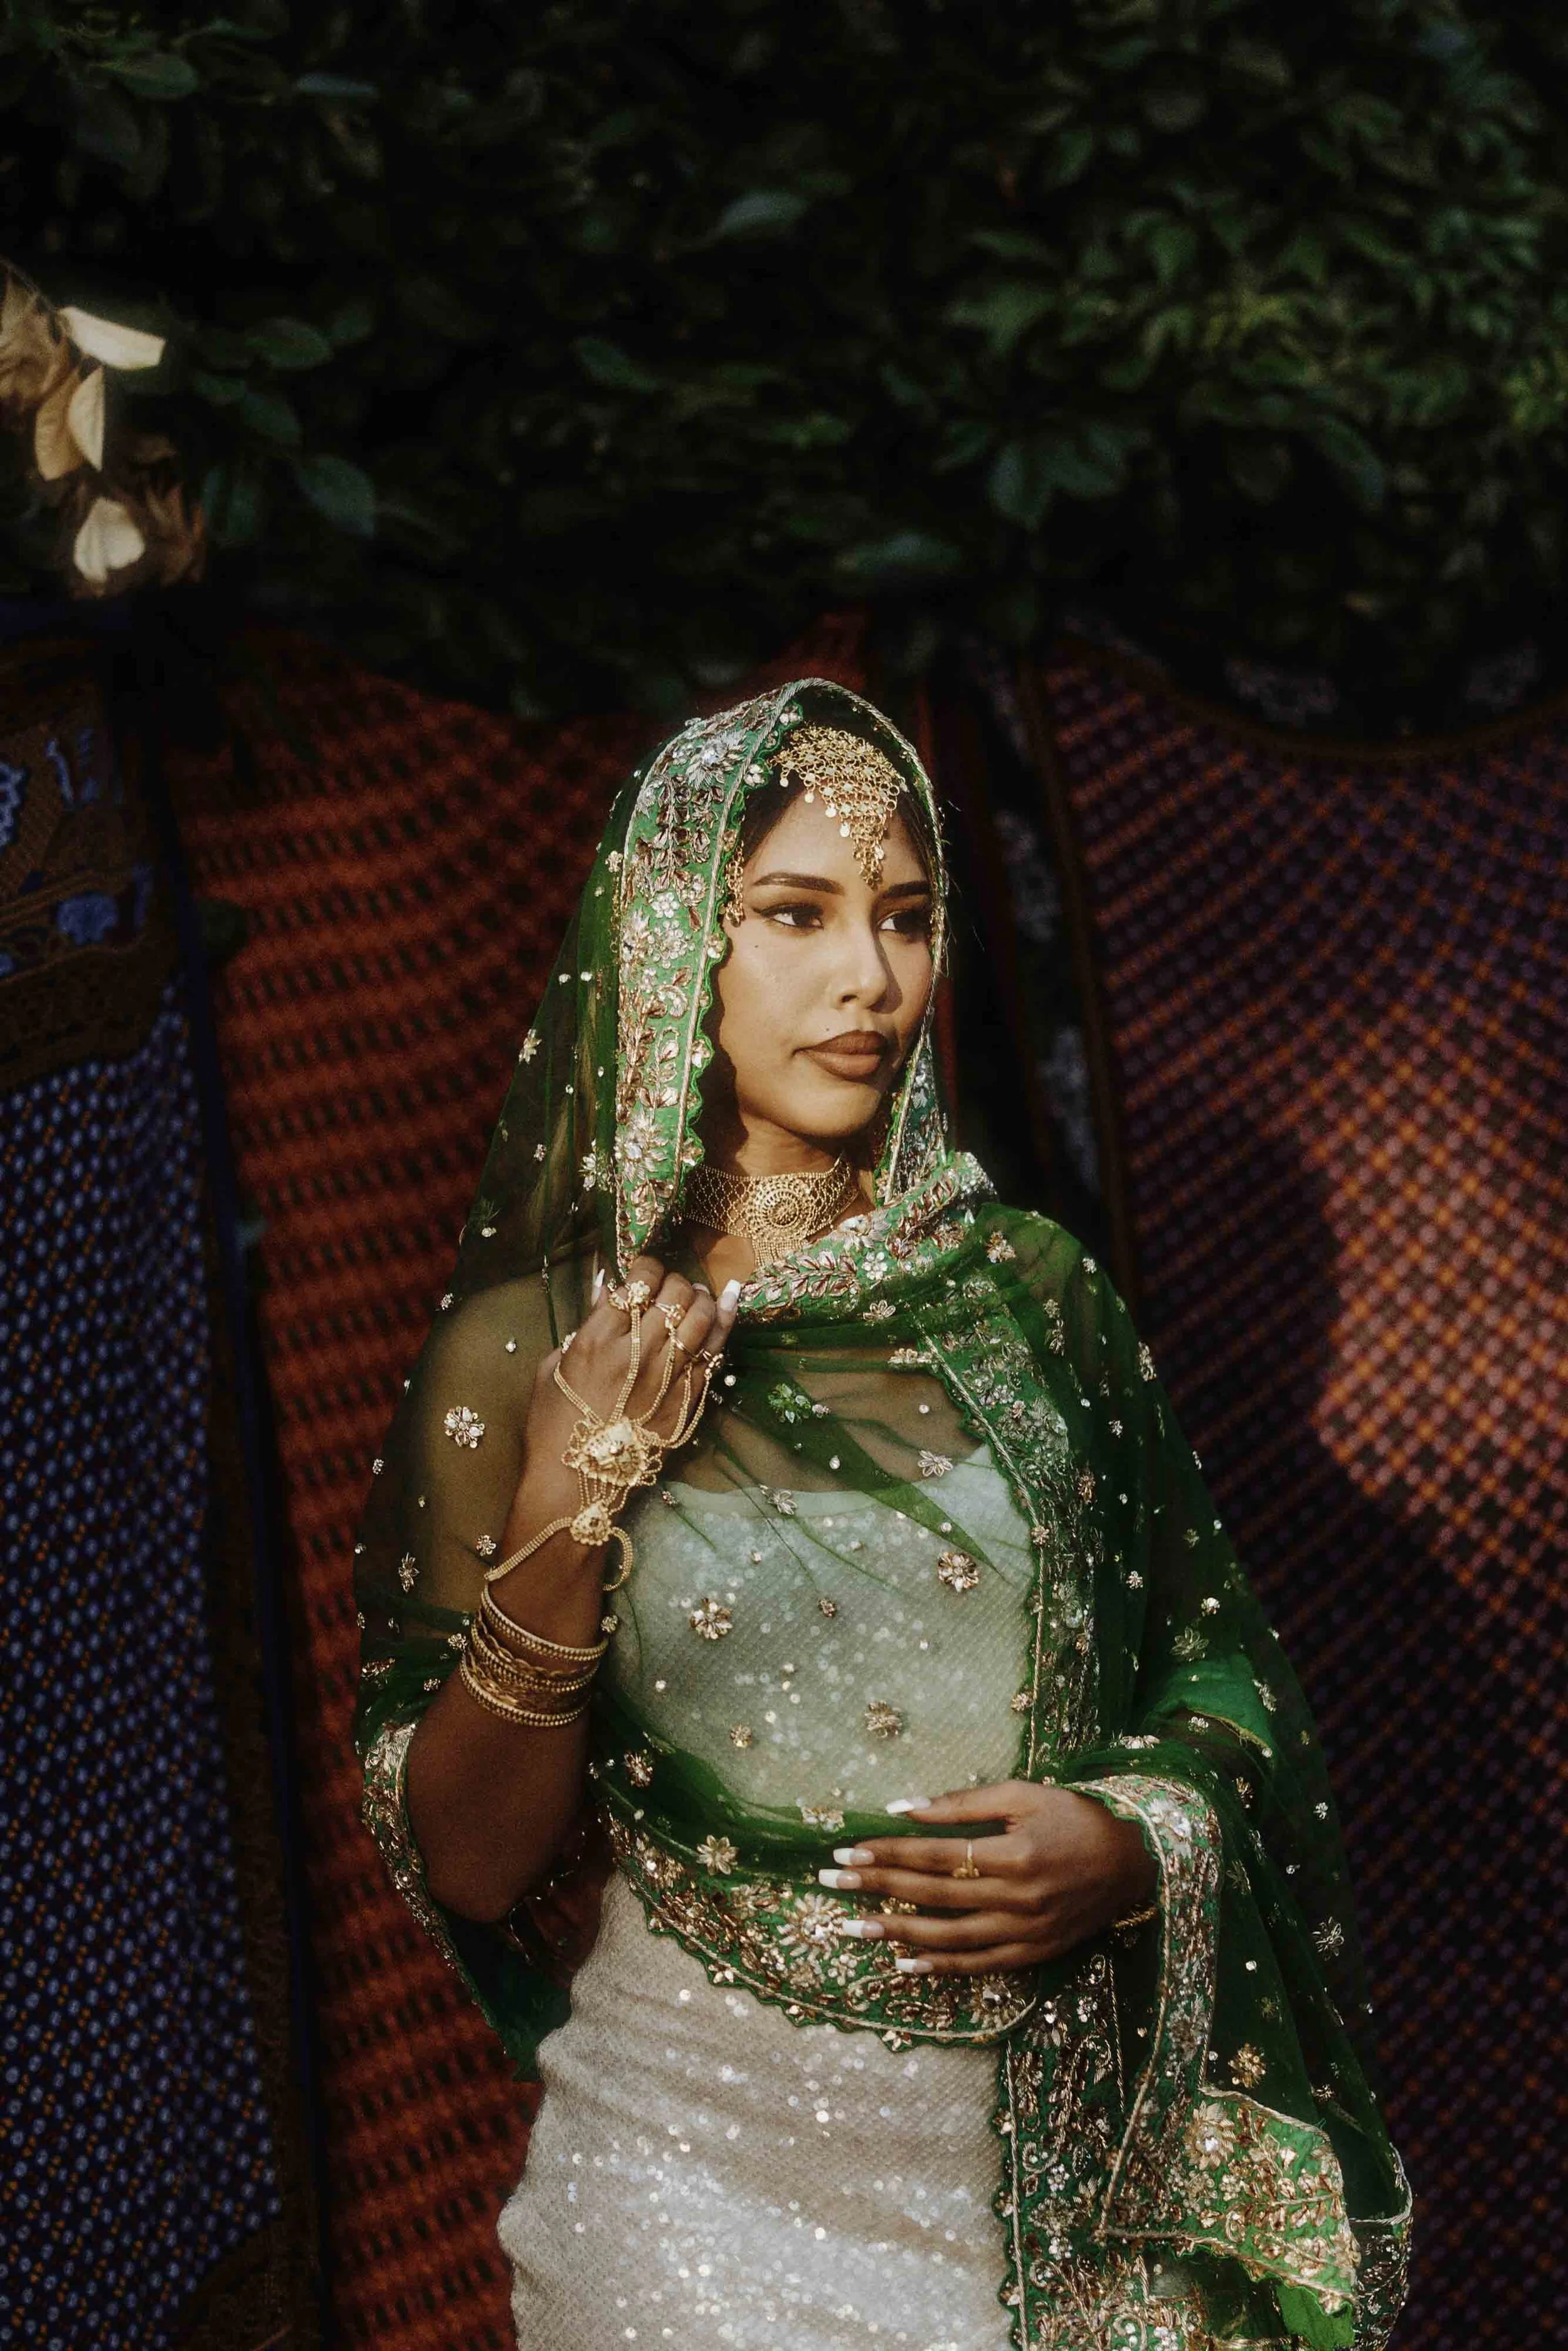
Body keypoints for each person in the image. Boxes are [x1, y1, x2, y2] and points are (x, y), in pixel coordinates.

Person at [353, 680, 1412, 2351]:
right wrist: (577, 1493)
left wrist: (1130, 1843)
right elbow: (476, 1865)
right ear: (672, 938)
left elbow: (1221, 1674)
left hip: (1045, 2180)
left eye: (906, 918)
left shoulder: (1028, 1298)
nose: (872, 978)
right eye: (797, 914)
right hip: (679, 2182)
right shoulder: (537, 1345)